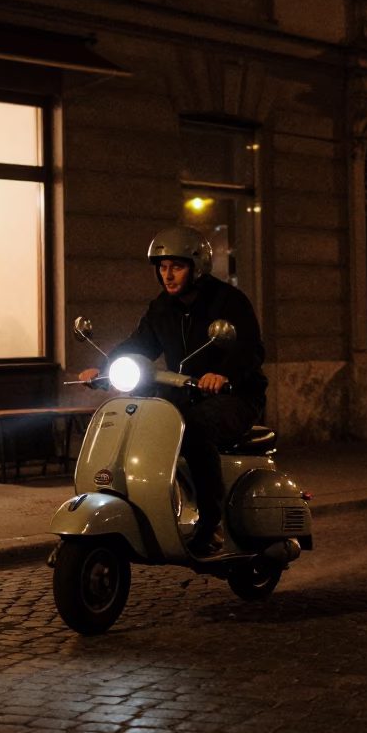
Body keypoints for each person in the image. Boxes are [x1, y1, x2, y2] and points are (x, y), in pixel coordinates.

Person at [78, 226, 267, 555]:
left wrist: (223, 374)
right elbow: (139, 344)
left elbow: (250, 348)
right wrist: (104, 368)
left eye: (176, 266)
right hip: (184, 394)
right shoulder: (162, 307)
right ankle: (150, 512)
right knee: (137, 422)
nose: (168, 275)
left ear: (197, 267)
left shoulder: (227, 301)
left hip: (234, 397)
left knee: (191, 431)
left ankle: (212, 525)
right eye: (162, 267)